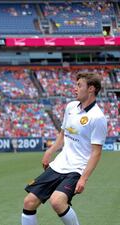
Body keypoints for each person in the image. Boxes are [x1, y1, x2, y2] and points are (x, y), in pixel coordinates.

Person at [21, 73, 108, 225]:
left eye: (79, 85)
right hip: (59, 165)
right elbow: (63, 134)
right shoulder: (70, 107)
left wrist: (83, 178)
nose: (75, 89)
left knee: (57, 201)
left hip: (76, 169)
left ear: (91, 89)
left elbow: (96, 152)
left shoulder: (98, 117)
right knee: (29, 202)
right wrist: (50, 151)